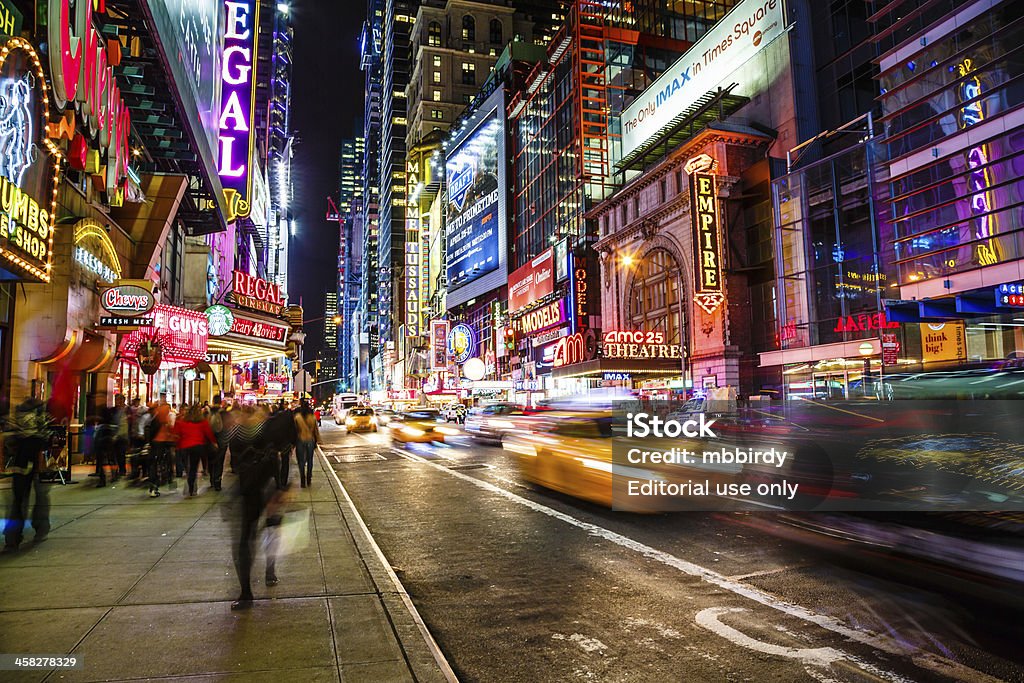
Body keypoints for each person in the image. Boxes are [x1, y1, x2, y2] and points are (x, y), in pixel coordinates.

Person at [229, 406, 279, 609]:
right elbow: (275, 461)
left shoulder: (238, 435)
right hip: (261, 488)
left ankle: (247, 593)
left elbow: (233, 464)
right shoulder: (264, 432)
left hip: (251, 490)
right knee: (267, 534)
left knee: (245, 541)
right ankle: (269, 572)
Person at [3, 398, 53, 550]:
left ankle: (13, 537)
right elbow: (49, 439)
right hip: (40, 463)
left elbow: (10, 443)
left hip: (21, 464)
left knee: (18, 500)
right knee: (42, 497)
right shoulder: (42, 419)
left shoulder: (16, 420)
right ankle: (41, 528)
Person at [174, 405, 217, 497]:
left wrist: (177, 446)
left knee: (187, 467)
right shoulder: (203, 423)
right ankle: (192, 487)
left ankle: (190, 483)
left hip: (184, 447)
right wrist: (214, 442)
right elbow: (209, 434)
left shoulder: (181, 422)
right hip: (198, 447)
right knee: (194, 467)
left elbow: (177, 435)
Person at [147, 402, 176, 498]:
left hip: (157, 444)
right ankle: (169, 483)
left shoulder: (156, 419)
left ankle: (154, 486)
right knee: (167, 463)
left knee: (155, 465)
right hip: (162, 444)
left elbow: (151, 433)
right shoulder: (163, 420)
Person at [293, 400, 320, 488]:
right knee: (310, 460)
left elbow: (294, 430)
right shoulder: (312, 417)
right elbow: (316, 430)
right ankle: (309, 478)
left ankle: (302, 480)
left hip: (300, 439)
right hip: (310, 440)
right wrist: (317, 441)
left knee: (301, 461)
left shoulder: (297, 417)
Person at [207, 397, 230, 491]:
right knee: (219, 462)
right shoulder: (224, 413)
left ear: (213, 401)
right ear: (220, 402)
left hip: (210, 441)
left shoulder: (207, 412)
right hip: (222, 440)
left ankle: (211, 480)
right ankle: (217, 481)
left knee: (211, 459)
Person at [93, 407, 117, 488]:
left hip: (101, 440)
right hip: (109, 440)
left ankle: (102, 479)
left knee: (101, 461)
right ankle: (114, 475)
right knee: (111, 459)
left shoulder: (101, 425)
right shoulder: (110, 422)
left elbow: (97, 435)